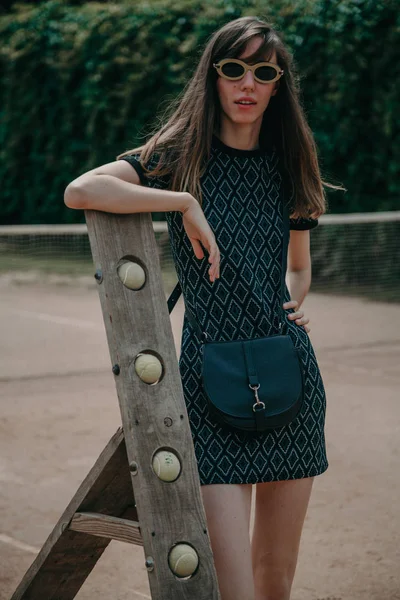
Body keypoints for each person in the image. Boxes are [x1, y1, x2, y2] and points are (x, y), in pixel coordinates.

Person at [65, 15, 344, 600]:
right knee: (232, 588)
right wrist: (182, 200)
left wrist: (293, 298)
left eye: (263, 72)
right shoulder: (178, 156)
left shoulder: (289, 162)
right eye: (234, 68)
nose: (248, 83)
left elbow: (298, 261)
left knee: (276, 584)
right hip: (207, 381)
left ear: (278, 84)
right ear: (213, 75)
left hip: (290, 373)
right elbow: (83, 189)